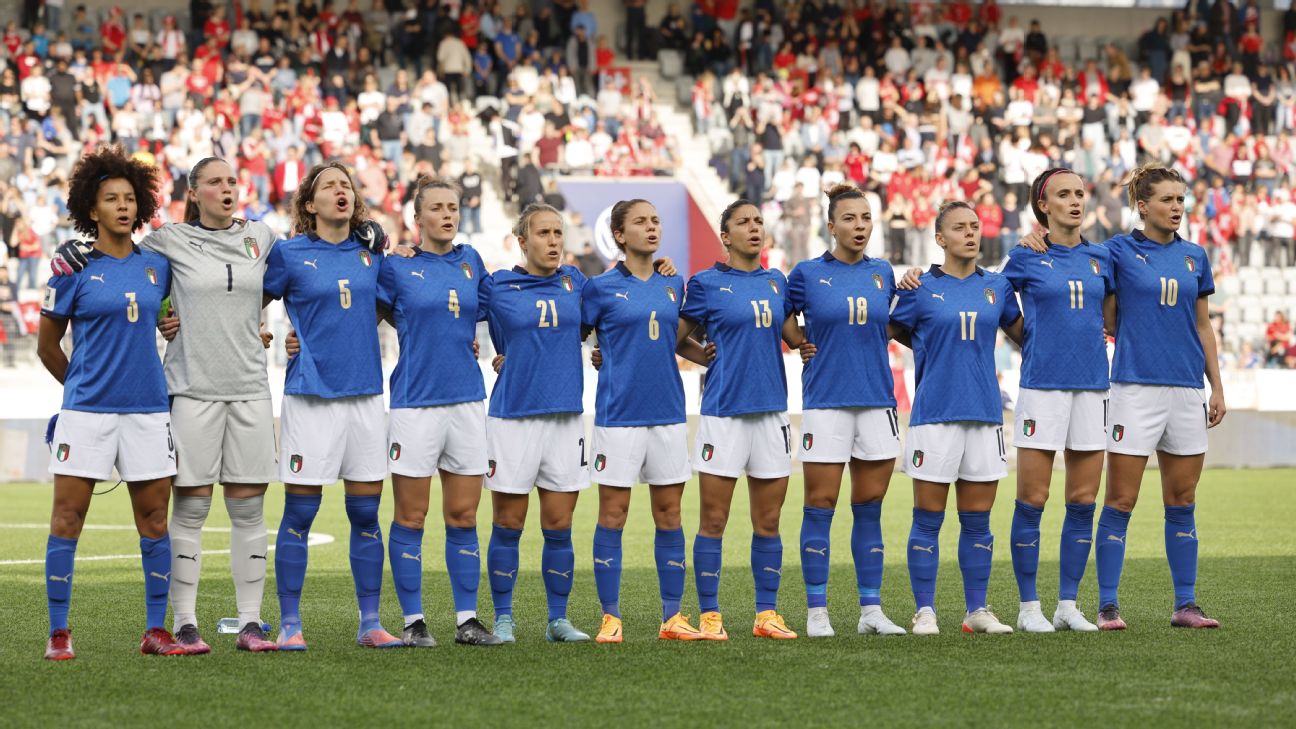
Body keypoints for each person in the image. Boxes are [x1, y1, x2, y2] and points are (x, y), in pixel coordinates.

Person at [50, 157, 386, 653]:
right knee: (188, 511)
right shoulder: (168, 243)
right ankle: (184, 622)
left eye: (232, 181)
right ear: (195, 191)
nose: (227, 189)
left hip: (251, 388)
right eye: (215, 182)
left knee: (249, 509)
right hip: (189, 390)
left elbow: (306, 271)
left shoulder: (264, 238)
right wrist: (71, 252)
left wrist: (369, 232)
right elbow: (121, 261)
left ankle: (251, 623)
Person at [920, 169, 1113, 632]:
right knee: (1033, 497)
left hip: (1093, 387)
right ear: (1043, 206)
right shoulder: (1024, 258)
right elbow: (994, 305)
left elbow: (1114, 314)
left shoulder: (1104, 257)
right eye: (1063, 195)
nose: (1075, 201)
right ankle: (1029, 607)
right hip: (1042, 388)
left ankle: (1068, 605)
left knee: (1083, 500)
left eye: (1080, 194)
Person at [36, 145, 182, 659]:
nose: (122, 206)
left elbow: (167, 318)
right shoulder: (70, 267)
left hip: (148, 411)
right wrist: (79, 391)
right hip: (86, 414)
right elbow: (46, 346)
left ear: (139, 205)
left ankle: (155, 630)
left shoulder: (157, 268)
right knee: (67, 520)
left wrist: (170, 321)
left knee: (155, 521)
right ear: (90, 209)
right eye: (110, 198)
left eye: (128, 198)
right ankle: (59, 631)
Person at [262, 162, 399, 650]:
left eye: (346, 185)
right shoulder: (289, 253)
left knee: (366, 513)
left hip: (364, 395)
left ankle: (371, 623)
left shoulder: (371, 256)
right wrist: (275, 334)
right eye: (328, 186)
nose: (340, 191)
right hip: (310, 397)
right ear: (309, 203)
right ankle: (290, 625)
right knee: (300, 513)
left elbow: (387, 306)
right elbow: (247, 301)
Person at [1089, 165, 1224, 630]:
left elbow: (1203, 324)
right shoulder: (1117, 251)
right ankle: (1108, 605)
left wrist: (1216, 386)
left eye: (1181, 200)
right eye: (1167, 200)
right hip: (1134, 387)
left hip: (1187, 388)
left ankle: (1185, 605)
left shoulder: (1195, 256)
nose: (1177, 208)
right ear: (1142, 206)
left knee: (1182, 499)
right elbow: (1105, 310)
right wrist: (1035, 240)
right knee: (1121, 500)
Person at [374, 177, 502, 647]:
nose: (448, 214)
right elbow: (368, 314)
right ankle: (413, 622)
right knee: (411, 516)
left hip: (468, 401)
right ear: (418, 217)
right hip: (415, 403)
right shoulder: (395, 267)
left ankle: (467, 620)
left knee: (464, 515)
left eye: (453, 206)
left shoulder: (471, 261)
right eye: (438, 208)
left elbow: (503, 305)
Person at [679, 199, 812, 641]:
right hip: (723, 415)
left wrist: (809, 343)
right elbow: (678, 338)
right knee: (713, 520)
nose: (754, 228)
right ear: (726, 235)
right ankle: (711, 616)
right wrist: (705, 357)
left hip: (772, 413)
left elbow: (792, 336)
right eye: (743, 222)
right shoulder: (705, 283)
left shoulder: (778, 282)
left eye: (758, 221)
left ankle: (766, 614)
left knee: (768, 522)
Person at [889, 201, 1023, 636]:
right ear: (940, 238)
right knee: (927, 518)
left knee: (978, 520)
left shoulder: (998, 287)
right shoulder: (920, 286)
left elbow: (1024, 335)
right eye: (959, 228)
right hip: (934, 415)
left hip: (985, 413)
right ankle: (924, 611)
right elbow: (890, 330)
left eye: (975, 226)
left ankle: (976, 611)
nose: (970, 233)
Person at [582, 199, 712, 643]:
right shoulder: (598, 288)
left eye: (655, 220)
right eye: (640, 221)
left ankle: (672, 618)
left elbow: (681, 342)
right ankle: (610, 618)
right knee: (613, 515)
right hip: (618, 415)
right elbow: (574, 337)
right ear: (619, 235)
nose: (652, 227)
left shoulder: (674, 282)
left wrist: (712, 357)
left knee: (670, 515)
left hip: (668, 413)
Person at [786, 185, 907, 638]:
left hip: (877, 402)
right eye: (850, 219)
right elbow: (784, 315)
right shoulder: (807, 274)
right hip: (826, 403)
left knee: (870, 507)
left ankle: (870, 611)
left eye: (865, 218)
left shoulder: (885, 273)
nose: (860, 226)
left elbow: (894, 321)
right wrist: (800, 342)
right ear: (831, 225)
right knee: (819, 505)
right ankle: (817, 612)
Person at [479, 203, 594, 644]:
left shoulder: (577, 284)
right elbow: (441, 311)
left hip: (565, 418)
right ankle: (504, 618)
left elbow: (611, 320)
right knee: (508, 524)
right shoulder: (496, 287)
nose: (553, 241)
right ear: (522, 240)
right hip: (512, 418)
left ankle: (557, 620)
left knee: (559, 527)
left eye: (557, 233)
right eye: (543, 233)